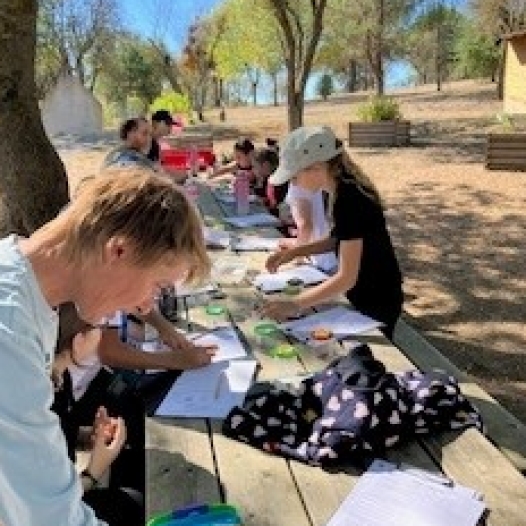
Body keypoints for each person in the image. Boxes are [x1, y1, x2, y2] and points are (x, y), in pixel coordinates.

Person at [0, 168, 211, 526]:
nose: (146, 305)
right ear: (119, 250)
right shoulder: (9, 328)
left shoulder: (26, 297)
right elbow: (52, 519)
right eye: (156, 285)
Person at [259, 126, 403, 340]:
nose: (294, 183)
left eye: (295, 176)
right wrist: (296, 252)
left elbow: (346, 277)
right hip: (363, 295)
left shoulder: (350, 198)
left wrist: (294, 304)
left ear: (315, 167)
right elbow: (340, 238)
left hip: (375, 299)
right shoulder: (340, 189)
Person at [52, 303, 143, 526]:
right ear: (78, 341)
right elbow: (49, 507)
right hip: (54, 510)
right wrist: (94, 470)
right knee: (130, 505)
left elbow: (61, 434)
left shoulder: (61, 380)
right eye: (99, 329)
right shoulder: (41, 400)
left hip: (61, 496)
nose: (103, 336)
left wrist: (90, 436)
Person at [278, 184, 338, 274]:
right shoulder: (321, 185)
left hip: (325, 262)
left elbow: (305, 225)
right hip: (331, 257)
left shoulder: (297, 186)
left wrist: (297, 256)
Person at [252, 147, 288, 216]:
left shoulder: (280, 183)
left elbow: (279, 208)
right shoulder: (267, 178)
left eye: (255, 166)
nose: (253, 170)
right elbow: (263, 194)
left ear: (265, 165)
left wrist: (265, 206)